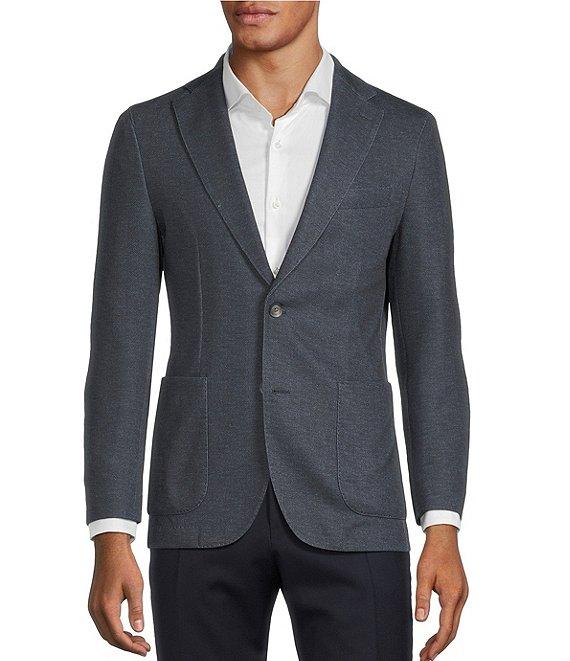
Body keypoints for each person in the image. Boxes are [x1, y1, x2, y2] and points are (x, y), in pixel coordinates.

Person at [85, 2, 469, 659]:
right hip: (199, 500)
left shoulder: (402, 137)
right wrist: (111, 527)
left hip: (354, 500)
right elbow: (120, 343)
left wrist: (442, 521)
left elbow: (431, 341)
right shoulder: (150, 135)